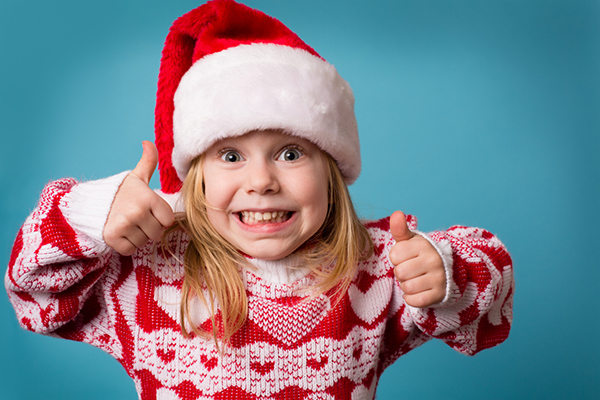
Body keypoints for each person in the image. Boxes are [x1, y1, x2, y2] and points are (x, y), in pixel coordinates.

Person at [5, 1, 514, 399]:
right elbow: (34, 294)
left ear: (332, 171)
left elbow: (491, 284)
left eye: (290, 153)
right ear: (195, 177)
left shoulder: (375, 267)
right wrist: (90, 215)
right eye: (230, 156)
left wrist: (443, 272)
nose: (262, 181)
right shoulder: (146, 268)